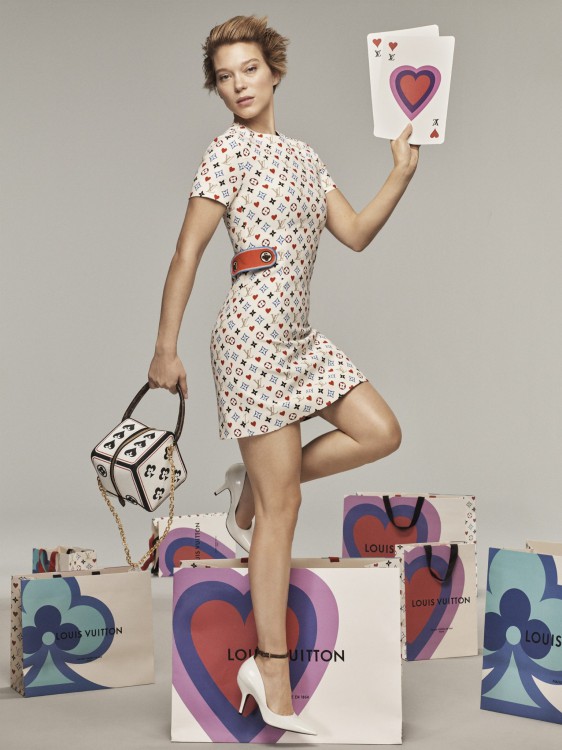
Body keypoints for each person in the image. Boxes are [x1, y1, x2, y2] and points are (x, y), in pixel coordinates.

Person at [148, 15, 419, 735]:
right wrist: (166, 348)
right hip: (250, 336)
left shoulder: (305, 157)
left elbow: (354, 233)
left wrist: (400, 172)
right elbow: (186, 254)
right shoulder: (226, 151)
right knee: (285, 508)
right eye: (225, 76)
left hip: (299, 338)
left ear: (274, 71)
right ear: (218, 89)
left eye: (249, 69)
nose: (239, 85)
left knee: (380, 432)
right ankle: (269, 670)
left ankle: (254, 490)